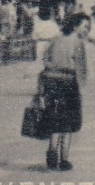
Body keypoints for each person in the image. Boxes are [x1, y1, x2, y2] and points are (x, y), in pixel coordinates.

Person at [37, 12, 88, 171]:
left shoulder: (55, 39)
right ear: (75, 26)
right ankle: (64, 160)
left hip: (50, 81)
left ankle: (52, 153)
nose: (86, 29)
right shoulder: (77, 42)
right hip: (68, 83)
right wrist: (81, 87)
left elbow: (44, 59)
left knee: (54, 119)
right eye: (84, 26)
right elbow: (81, 67)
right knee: (67, 122)